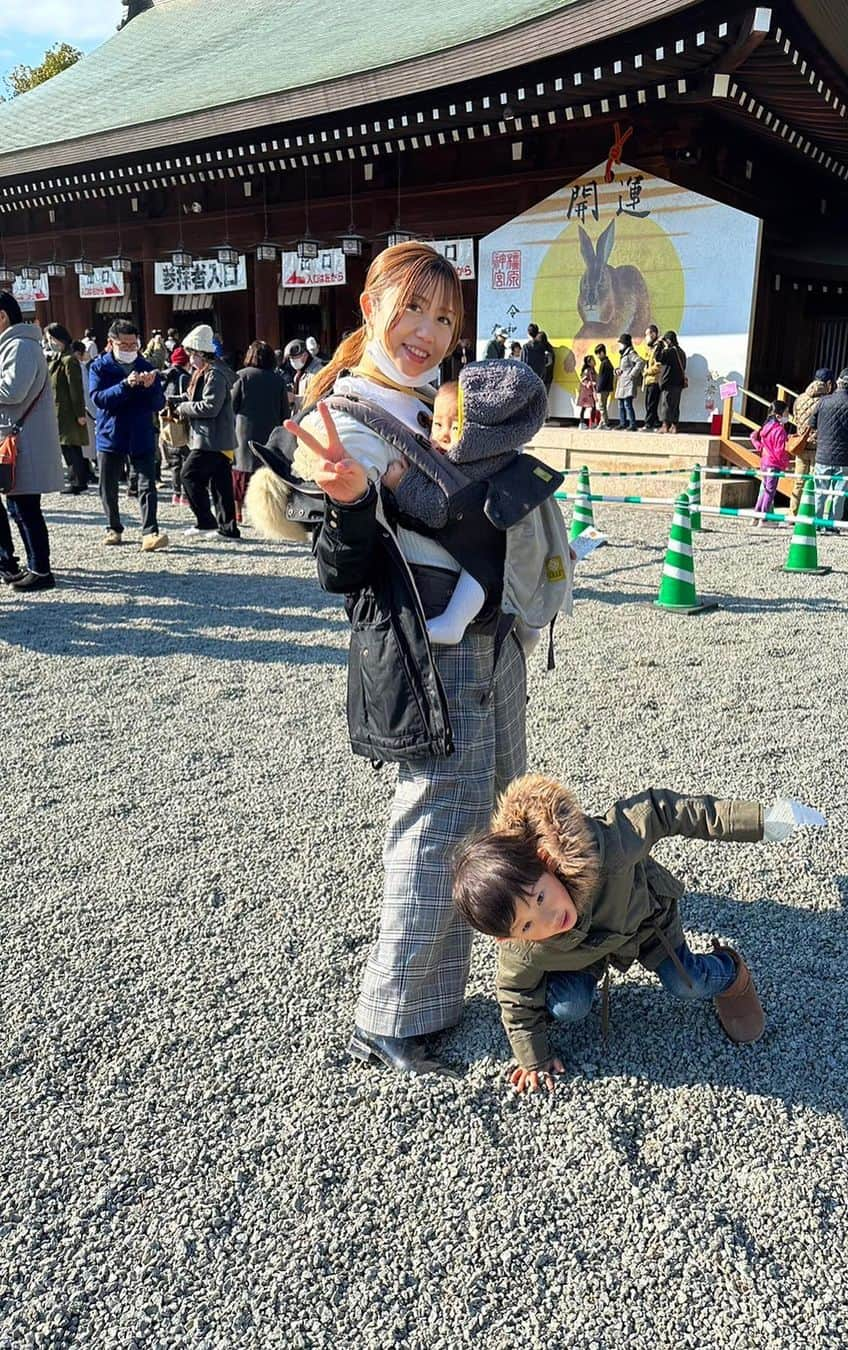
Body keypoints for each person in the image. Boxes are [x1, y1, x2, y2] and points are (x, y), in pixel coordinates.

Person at [255, 242, 557, 1076]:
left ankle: (511, 956)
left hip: (493, 640)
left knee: (499, 808)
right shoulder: (345, 417)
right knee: (438, 829)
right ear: (370, 308)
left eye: (443, 317)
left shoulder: (432, 401)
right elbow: (342, 568)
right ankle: (392, 1014)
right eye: (411, 310)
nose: (426, 331)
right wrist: (351, 501)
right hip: (435, 653)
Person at [451, 775, 825, 1093]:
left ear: (546, 862)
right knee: (569, 1006)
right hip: (581, 955)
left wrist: (763, 821)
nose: (549, 919)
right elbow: (515, 995)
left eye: (542, 897)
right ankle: (576, 987)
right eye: (528, 926)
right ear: (508, 938)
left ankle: (732, 974)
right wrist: (533, 1059)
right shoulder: (524, 950)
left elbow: (667, 810)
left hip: (643, 921)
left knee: (688, 983)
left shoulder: (610, 848)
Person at [380, 360, 548, 646]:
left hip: (496, 551)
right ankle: (526, 632)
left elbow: (439, 508)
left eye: (456, 426)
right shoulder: (501, 455)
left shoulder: (471, 463)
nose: (442, 435)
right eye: (437, 423)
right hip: (518, 552)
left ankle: (455, 621)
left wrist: (402, 485)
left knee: (480, 569)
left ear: (480, 430)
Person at [0, 291, 63, 591]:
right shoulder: (17, 344)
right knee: (19, 506)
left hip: (25, 442)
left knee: (26, 508)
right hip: (20, 439)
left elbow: (13, 391)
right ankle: (35, 566)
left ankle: (41, 570)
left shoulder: (20, 346)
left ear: (2, 316)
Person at [89, 319, 169, 552]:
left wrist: (149, 387)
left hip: (141, 432)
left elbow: (159, 403)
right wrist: (125, 385)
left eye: (133, 344)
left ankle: (150, 531)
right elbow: (98, 399)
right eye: (123, 345)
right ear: (111, 343)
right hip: (110, 433)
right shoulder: (100, 366)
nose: (129, 349)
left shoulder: (145, 365)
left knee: (147, 484)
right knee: (108, 485)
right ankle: (113, 527)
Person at [174, 323, 240, 539]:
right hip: (217, 438)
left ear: (201, 354)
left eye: (191, 354)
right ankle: (227, 527)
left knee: (188, 475)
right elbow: (198, 399)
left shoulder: (215, 374)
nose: (190, 359)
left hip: (210, 438)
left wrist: (183, 408)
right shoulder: (211, 372)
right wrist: (178, 401)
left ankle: (206, 521)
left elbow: (210, 407)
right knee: (220, 485)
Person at [231, 340, 290, 526]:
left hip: (244, 432)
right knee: (266, 472)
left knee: (240, 474)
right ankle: (268, 513)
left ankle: (238, 511)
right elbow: (284, 412)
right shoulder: (278, 380)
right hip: (270, 433)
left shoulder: (241, 376)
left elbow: (231, 406)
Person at [43, 323, 90, 495]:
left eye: (50, 338)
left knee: (71, 447)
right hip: (59, 410)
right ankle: (78, 479)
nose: (49, 342)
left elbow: (75, 388)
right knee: (67, 447)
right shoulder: (58, 357)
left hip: (69, 411)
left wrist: (79, 413)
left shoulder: (69, 360)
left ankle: (77, 480)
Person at [809, 367, 848, 530]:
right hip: (845, 456)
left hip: (823, 453)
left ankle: (817, 522)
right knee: (839, 494)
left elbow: (812, 423)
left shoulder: (823, 401)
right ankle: (833, 524)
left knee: (820, 491)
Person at [789, 369, 833, 517]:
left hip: (801, 446)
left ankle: (793, 513)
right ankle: (809, 513)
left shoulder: (800, 398)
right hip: (818, 448)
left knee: (799, 481)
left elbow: (795, 418)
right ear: (828, 383)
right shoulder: (826, 401)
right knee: (815, 483)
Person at [750, 400, 791, 526]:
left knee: (765, 490)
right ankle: (764, 518)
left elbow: (753, 437)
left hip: (765, 462)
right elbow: (780, 451)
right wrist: (785, 464)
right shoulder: (779, 430)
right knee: (770, 491)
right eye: (786, 413)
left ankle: (756, 516)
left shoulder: (765, 427)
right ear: (779, 415)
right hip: (774, 463)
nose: (788, 415)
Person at [161, 346, 191, 506]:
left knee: (174, 462)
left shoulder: (166, 376)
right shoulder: (184, 378)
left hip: (167, 422)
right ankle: (186, 495)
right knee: (186, 460)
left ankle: (176, 494)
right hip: (181, 422)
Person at [71, 340, 98, 479]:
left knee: (85, 444)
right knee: (84, 444)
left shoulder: (79, 367)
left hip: (82, 409)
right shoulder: (78, 366)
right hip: (83, 409)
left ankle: (85, 472)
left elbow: (85, 391)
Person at [656, 330, 687, 433]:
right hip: (679, 383)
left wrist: (659, 344)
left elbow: (658, 357)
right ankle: (674, 426)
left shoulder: (669, 351)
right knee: (675, 405)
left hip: (668, 382)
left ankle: (665, 425)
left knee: (666, 404)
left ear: (668, 341)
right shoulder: (681, 352)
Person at [281, 338, 323, 411]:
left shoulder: (317, 372)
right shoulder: (299, 372)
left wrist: (294, 399)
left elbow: (317, 399)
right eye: (290, 358)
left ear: (305, 355)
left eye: (294, 358)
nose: (292, 361)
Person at [614, 333, 644, 431]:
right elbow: (623, 367)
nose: (620, 345)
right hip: (622, 382)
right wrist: (617, 370)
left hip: (628, 383)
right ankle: (622, 423)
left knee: (627, 404)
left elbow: (640, 362)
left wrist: (632, 374)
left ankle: (632, 424)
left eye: (621, 343)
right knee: (621, 404)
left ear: (625, 343)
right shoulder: (623, 354)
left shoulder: (630, 353)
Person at [641, 324, 662, 430]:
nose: (646, 337)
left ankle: (648, 424)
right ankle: (656, 422)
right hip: (649, 380)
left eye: (647, 335)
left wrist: (647, 372)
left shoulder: (659, 347)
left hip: (655, 380)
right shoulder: (651, 348)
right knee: (650, 403)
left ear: (653, 334)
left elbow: (658, 366)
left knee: (651, 403)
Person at [594, 342, 614, 428]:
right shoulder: (608, 362)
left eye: (598, 354)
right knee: (603, 406)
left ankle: (605, 423)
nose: (597, 356)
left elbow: (602, 378)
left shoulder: (604, 363)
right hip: (607, 388)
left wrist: (598, 389)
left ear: (602, 352)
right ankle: (602, 423)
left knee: (602, 407)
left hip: (603, 389)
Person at [576, 353, 598, 429]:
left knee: (593, 406)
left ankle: (591, 422)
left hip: (591, 391)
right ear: (588, 363)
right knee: (585, 407)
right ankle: (582, 423)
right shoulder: (587, 371)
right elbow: (583, 380)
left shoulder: (593, 370)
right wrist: (590, 383)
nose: (594, 362)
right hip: (587, 392)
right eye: (592, 360)